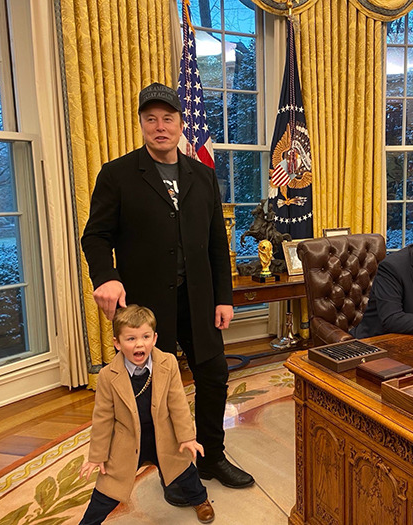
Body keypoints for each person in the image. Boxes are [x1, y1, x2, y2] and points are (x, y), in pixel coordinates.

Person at [81, 83, 254, 504]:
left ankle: (212, 456)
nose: (160, 127)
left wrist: (223, 297)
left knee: (213, 376)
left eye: (168, 118)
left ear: (181, 123)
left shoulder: (204, 176)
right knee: (154, 395)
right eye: (151, 119)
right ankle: (172, 470)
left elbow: (217, 243)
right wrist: (106, 276)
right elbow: (95, 237)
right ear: (141, 124)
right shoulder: (117, 174)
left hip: (197, 301)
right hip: (145, 310)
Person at [79, 306, 214, 524]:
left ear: (154, 338)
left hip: (164, 434)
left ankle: (200, 500)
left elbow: (178, 404)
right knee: (108, 486)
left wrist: (187, 437)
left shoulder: (168, 363)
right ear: (117, 343)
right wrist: (97, 456)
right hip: (129, 438)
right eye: (131, 338)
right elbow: (102, 418)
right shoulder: (107, 376)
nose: (139, 344)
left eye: (145, 337)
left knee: (185, 470)